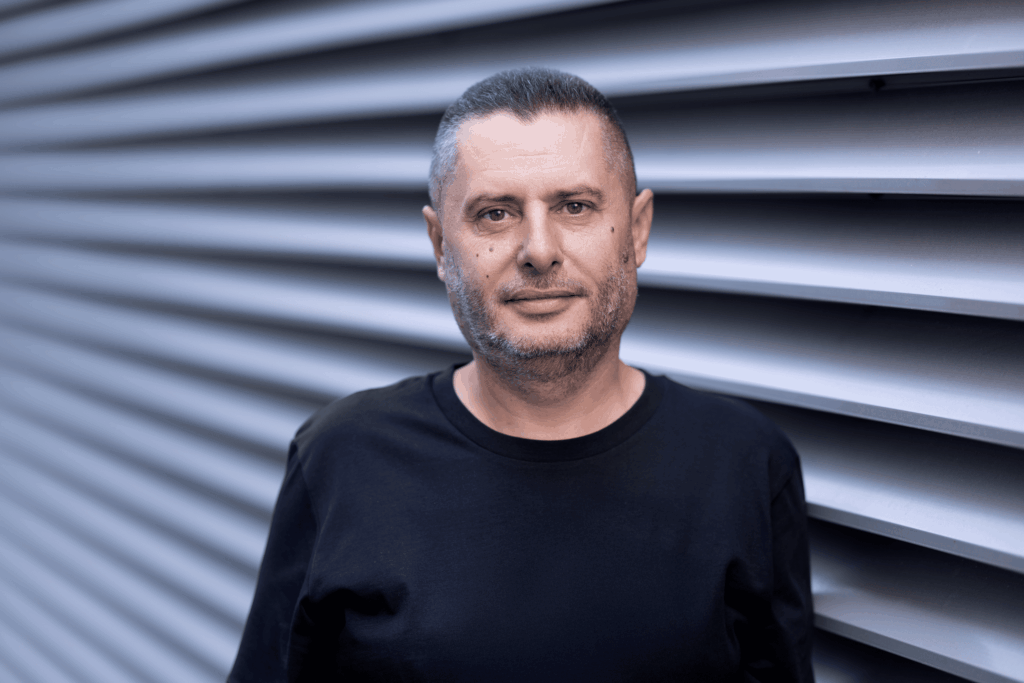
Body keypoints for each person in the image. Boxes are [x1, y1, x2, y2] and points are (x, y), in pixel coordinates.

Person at [228, 67, 814, 682]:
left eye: (575, 206)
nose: (539, 249)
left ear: (637, 229)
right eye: (495, 214)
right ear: (440, 246)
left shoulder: (745, 463)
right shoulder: (341, 458)